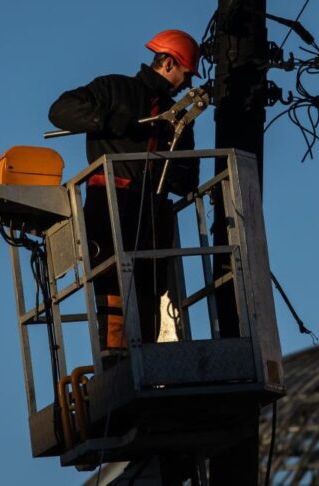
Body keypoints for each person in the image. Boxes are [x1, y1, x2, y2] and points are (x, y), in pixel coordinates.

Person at [48, 30, 201, 350]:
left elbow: (187, 179)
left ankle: (145, 354)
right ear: (169, 63)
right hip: (110, 205)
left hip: (152, 213)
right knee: (112, 287)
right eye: (186, 74)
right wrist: (106, 120)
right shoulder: (114, 89)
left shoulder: (178, 116)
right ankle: (115, 357)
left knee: (150, 293)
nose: (186, 84)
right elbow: (60, 110)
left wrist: (176, 160)